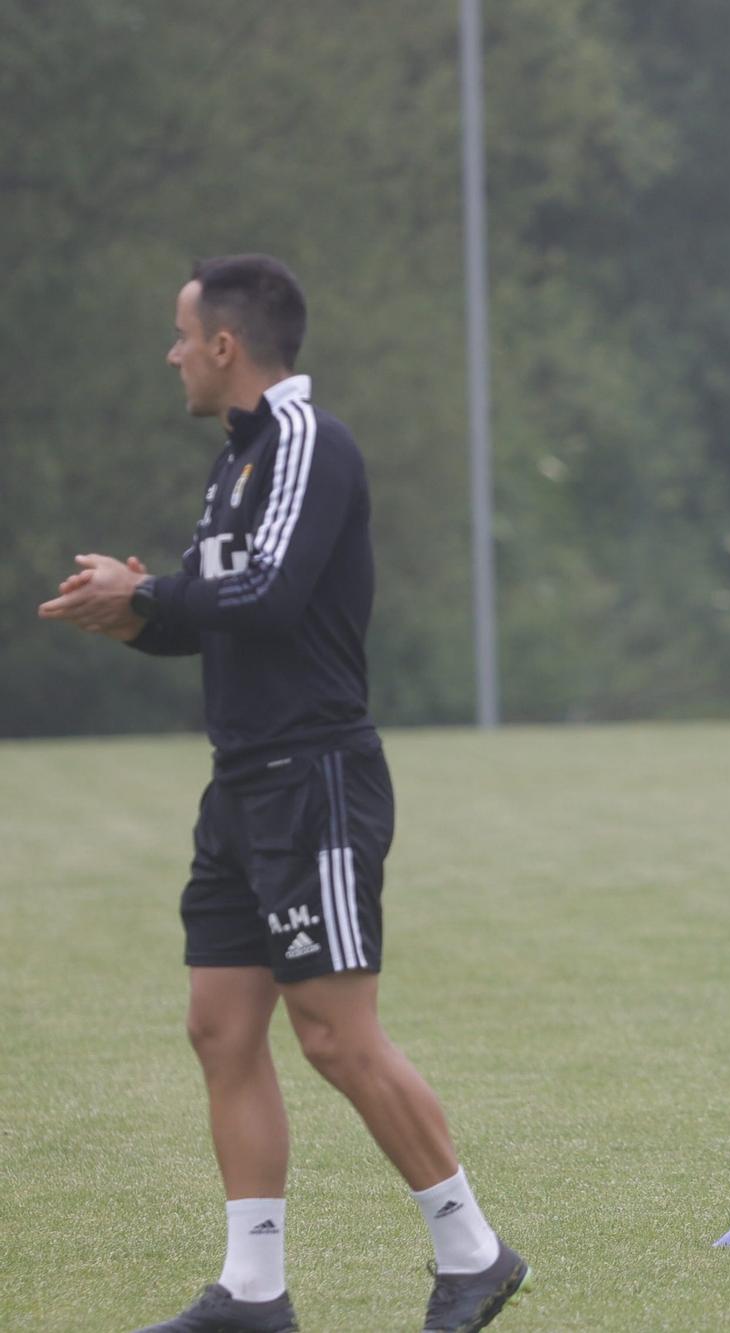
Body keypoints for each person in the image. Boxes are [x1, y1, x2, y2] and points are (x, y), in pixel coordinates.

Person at [38, 255, 531, 1332]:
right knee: (220, 1028)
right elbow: (211, 612)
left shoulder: (311, 443)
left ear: (225, 346)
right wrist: (129, 613)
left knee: (334, 1034)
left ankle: (474, 1250)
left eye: (180, 337)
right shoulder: (238, 464)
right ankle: (253, 1291)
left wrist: (154, 591)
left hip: (314, 776)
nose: (171, 355)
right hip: (241, 785)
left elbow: (265, 592)